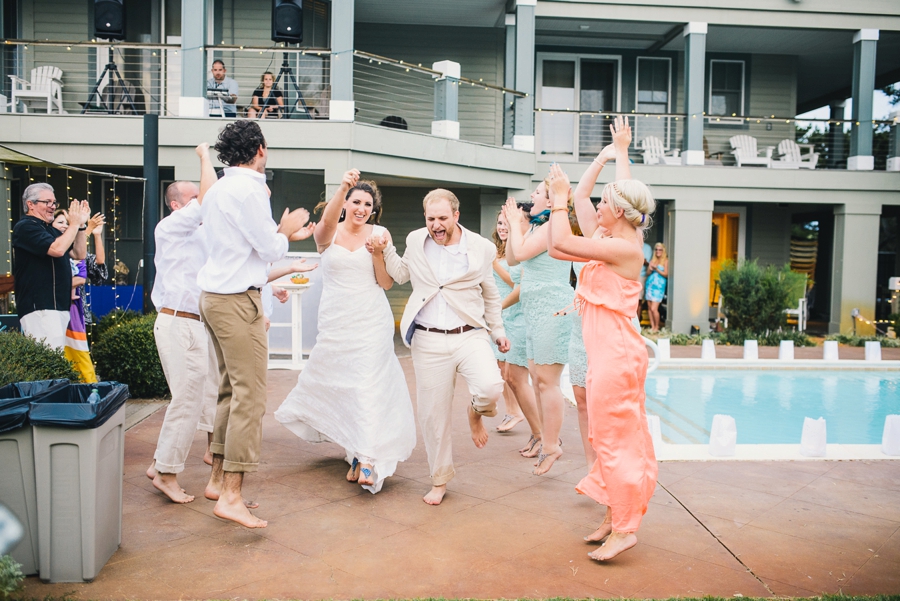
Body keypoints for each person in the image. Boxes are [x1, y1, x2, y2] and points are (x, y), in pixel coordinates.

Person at [547, 116, 658, 562]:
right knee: (605, 438)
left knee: (614, 442)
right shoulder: (612, 234)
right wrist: (618, 154)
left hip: (617, 356)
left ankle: (626, 527)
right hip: (607, 355)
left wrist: (557, 200)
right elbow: (565, 233)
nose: (600, 202)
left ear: (619, 211)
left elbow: (559, 240)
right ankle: (615, 515)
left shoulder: (623, 248)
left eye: (606, 200)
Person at [197, 120, 311, 528]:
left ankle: (216, 482)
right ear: (260, 149)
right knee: (251, 397)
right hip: (233, 302)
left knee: (230, 391)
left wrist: (277, 234)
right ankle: (231, 495)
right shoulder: (248, 189)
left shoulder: (218, 190)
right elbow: (266, 247)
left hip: (213, 298)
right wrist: (288, 230)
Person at [275, 170, 416, 494]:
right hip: (337, 322)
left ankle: (367, 459)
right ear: (345, 203)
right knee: (345, 386)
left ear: (373, 209)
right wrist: (342, 186)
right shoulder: (329, 233)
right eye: (356, 201)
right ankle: (355, 452)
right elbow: (324, 224)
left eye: (367, 204)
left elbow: (385, 282)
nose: (361, 208)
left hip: (371, 319)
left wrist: (377, 253)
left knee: (367, 385)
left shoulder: (380, 233)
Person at [369, 189, 509, 506]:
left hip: (469, 333)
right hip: (429, 339)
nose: (436, 225)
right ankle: (439, 479)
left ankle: (476, 412)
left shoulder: (482, 248)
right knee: (433, 417)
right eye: (431, 219)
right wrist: (384, 249)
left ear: (456, 216)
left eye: (442, 218)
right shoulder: (417, 240)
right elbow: (402, 274)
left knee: (490, 387)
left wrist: (497, 330)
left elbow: (490, 295)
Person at [502, 180, 573, 475]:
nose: (531, 196)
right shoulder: (535, 226)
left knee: (547, 381)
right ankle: (546, 439)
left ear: (550, 200)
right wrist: (514, 225)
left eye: (537, 193)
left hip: (552, 309)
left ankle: (552, 444)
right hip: (534, 309)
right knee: (536, 378)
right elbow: (511, 258)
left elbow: (520, 254)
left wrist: (514, 224)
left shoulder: (551, 227)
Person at [12, 183, 90, 349]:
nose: (52, 207)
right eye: (47, 202)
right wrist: (74, 224)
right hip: (40, 306)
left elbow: (79, 254)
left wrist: (81, 226)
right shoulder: (26, 226)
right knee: (51, 356)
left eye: (54, 203)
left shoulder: (51, 230)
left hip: (59, 306)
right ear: (30, 204)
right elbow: (57, 249)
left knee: (58, 357)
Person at [490, 210, 539, 437]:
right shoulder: (498, 250)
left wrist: (493, 264)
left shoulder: (520, 251)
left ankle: (529, 421)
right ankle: (512, 410)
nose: (502, 228)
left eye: (506, 224)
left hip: (515, 314)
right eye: (500, 223)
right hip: (500, 317)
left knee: (514, 373)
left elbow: (514, 282)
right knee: (502, 369)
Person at [50, 209, 100, 383]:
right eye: (60, 222)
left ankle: (89, 386)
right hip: (51, 307)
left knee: (78, 350)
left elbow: (81, 276)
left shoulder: (72, 252)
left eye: (67, 222)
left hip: (73, 309)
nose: (64, 226)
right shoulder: (49, 248)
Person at [645, 243, 668, 332]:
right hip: (650, 285)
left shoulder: (665, 260)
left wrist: (656, 269)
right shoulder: (653, 260)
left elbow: (666, 274)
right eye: (656, 249)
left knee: (654, 308)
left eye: (660, 250)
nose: (658, 251)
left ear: (663, 251)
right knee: (649, 308)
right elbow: (647, 273)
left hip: (658, 287)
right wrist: (650, 268)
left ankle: (657, 327)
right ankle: (652, 327)